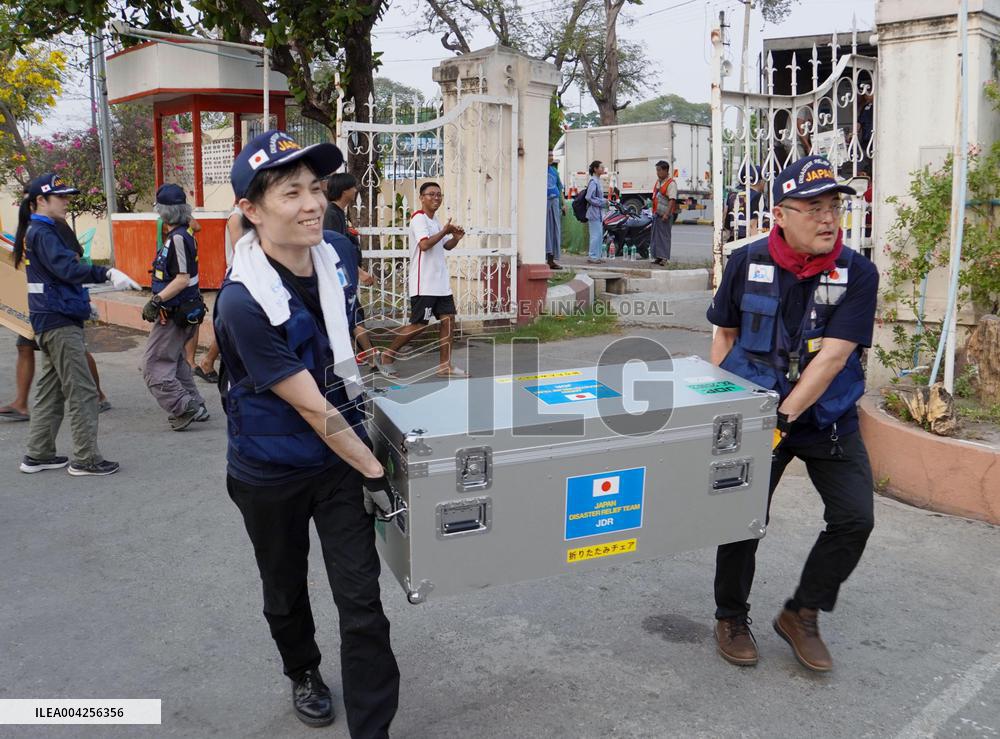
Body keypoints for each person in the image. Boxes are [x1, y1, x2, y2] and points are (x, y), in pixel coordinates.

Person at [215, 130, 399, 735]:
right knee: (285, 588)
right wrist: (376, 469)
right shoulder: (242, 303)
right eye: (290, 192)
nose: (312, 202)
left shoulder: (338, 253)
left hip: (336, 465)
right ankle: (304, 671)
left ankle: (373, 728)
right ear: (252, 209)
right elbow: (313, 408)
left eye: (316, 187)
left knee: (363, 601)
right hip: (269, 470)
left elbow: (343, 335)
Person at [707, 155, 878, 673]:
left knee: (854, 518)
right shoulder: (746, 262)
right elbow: (725, 335)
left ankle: (802, 613)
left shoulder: (857, 273)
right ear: (780, 214)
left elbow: (833, 357)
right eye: (813, 208)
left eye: (834, 206)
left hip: (826, 417)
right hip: (757, 414)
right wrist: (726, 409)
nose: (828, 219)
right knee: (741, 518)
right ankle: (730, 616)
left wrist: (782, 418)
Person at [14, 172, 140, 476]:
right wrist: (106, 273)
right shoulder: (43, 232)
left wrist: (84, 303)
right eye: (60, 197)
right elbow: (67, 268)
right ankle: (86, 459)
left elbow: (57, 277)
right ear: (40, 201)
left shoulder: (39, 231)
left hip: (51, 318)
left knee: (51, 389)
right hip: (58, 322)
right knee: (82, 391)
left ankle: (39, 453)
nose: (66, 202)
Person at [1, 219, 111, 421]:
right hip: (37, 303)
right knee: (24, 346)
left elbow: (75, 259)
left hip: (59, 302)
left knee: (76, 350)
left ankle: (98, 396)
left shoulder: (56, 224)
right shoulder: (29, 226)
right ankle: (21, 403)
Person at [377, 181, 467, 379]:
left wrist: (456, 237)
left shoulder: (435, 221)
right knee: (419, 324)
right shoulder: (419, 219)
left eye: (439, 194)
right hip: (424, 282)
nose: (436, 198)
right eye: (431, 194)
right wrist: (445, 230)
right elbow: (425, 245)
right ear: (421, 198)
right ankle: (387, 355)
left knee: (448, 321)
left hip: (440, 284)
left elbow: (446, 246)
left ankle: (445, 366)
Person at [140, 184, 209, 431]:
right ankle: (195, 405)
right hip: (180, 311)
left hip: (174, 313)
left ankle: (183, 406)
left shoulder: (179, 238)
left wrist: (155, 301)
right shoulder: (183, 233)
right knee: (176, 363)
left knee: (153, 365)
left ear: (164, 211)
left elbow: (181, 278)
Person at [324, 173, 377, 369]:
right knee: (354, 316)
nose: (356, 191)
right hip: (339, 277)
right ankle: (372, 358)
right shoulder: (331, 214)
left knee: (354, 315)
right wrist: (360, 273)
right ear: (344, 190)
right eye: (353, 187)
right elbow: (334, 250)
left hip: (344, 276)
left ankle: (367, 357)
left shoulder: (338, 213)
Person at [192, 203, 244, 384]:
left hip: (250, 277)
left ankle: (209, 360)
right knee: (228, 325)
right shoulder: (237, 217)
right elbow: (242, 252)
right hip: (239, 277)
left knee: (230, 326)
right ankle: (208, 361)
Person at [723, 165, 767, 242]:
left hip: (733, 238)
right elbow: (752, 226)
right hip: (747, 239)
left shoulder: (732, 194)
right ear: (759, 180)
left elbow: (725, 217)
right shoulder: (757, 196)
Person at [650, 160, 677, 266]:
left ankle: (664, 258)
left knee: (664, 236)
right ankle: (657, 257)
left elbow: (672, 200)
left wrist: (666, 214)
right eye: (657, 170)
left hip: (665, 215)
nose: (657, 173)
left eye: (659, 170)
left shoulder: (671, 184)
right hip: (657, 213)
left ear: (666, 170)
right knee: (656, 236)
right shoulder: (659, 182)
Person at [584, 160, 608, 264]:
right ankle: (592, 256)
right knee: (595, 235)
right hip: (594, 212)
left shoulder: (597, 181)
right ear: (595, 169)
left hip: (598, 213)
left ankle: (597, 256)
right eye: (601, 167)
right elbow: (589, 197)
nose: (603, 169)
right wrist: (602, 202)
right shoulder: (593, 181)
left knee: (599, 234)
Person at [545, 150, 564, 270]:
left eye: (552, 155)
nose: (551, 158)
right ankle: (542, 259)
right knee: (545, 230)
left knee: (554, 230)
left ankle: (551, 260)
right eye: (549, 155)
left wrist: (563, 204)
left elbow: (559, 187)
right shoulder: (539, 169)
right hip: (544, 202)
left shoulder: (554, 171)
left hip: (555, 201)